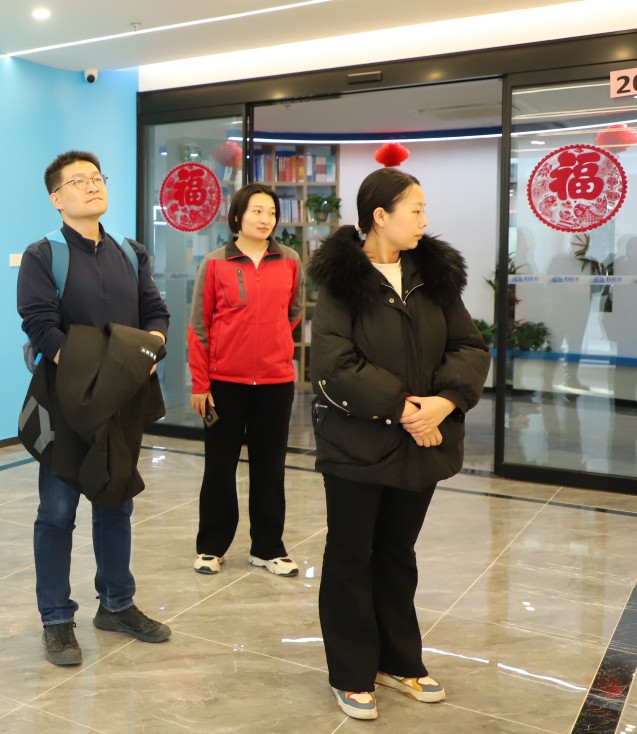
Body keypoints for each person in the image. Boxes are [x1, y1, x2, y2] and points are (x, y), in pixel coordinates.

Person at [307, 167, 489, 721]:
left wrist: (444, 403)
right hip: (357, 444)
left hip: (422, 442)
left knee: (396, 553)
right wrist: (409, 410)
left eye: (424, 209)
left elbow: (469, 346)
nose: (424, 220)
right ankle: (351, 672)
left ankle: (399, 661)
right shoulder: (342, 281)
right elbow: (334, 364)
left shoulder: (433, 276)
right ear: (380, 216)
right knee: (350, 556)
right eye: (416, 209)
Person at [16, 150, 172, 668]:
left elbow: (155, 312)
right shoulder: (44, 255)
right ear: (56, 198)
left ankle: (117, 605)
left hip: (122, 401)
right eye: (78, 180)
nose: (91, 185)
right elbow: (41, 326)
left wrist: (151, 349)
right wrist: (100, 371)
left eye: (96, 177)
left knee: (115, 501)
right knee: (57, 511)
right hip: (67, 401)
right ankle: (56, 619)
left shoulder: (130, 251)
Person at [187, 183, 302, 577]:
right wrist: (200, 383)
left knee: (270, 468)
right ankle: (211, 547)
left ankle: (268, 548)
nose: (265, 219)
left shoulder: (289, 261)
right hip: (224, 383)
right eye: (257, 211)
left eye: (271, 212)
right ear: (237, 216)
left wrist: (272, 342)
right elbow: (199, 326)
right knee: (219, 468)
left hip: (276, 382)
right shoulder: (215, 263)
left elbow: (293, 313)